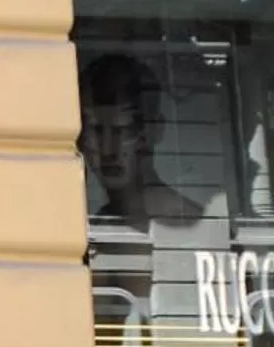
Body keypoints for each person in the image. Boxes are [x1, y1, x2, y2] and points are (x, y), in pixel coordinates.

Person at [78, 53, 207, 225]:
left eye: (123, 129)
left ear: (155, 130)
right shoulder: (98, 228)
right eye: (95, 129)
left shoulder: (192, 227)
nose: (108, 149)